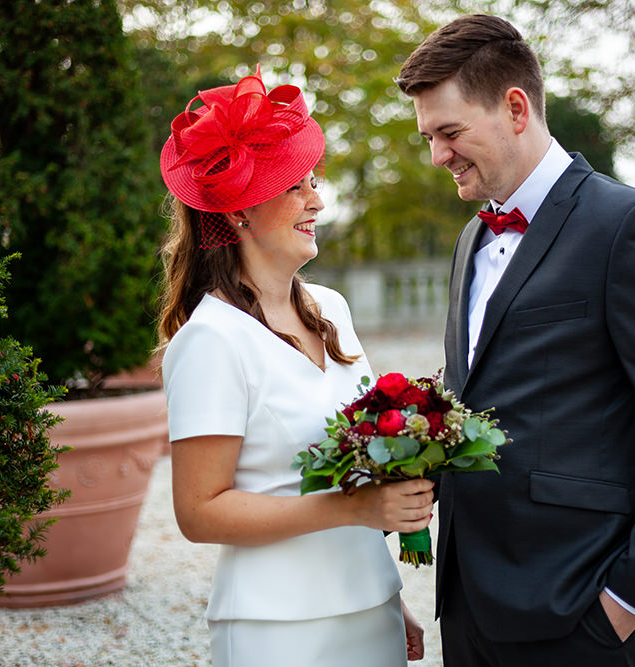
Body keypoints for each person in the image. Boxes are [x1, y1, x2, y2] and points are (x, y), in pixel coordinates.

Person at [395, 14, 635, 666]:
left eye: (449, 132)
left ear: (516, 108)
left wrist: (627, 600)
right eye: (429, 137)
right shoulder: (470, 239)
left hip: (578, 616)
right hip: (468, 607)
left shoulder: (630, 227)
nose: (438, 154)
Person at [156, 66, 433, 667]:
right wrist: (355, 510)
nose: (318, 200)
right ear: (237, 214)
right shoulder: (210, 341)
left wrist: (385, 593)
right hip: (278, 628)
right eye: (295, 185)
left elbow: (360, 463)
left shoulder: (332, 309)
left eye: (313, 181)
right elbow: (199, 512)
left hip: (371, 606)